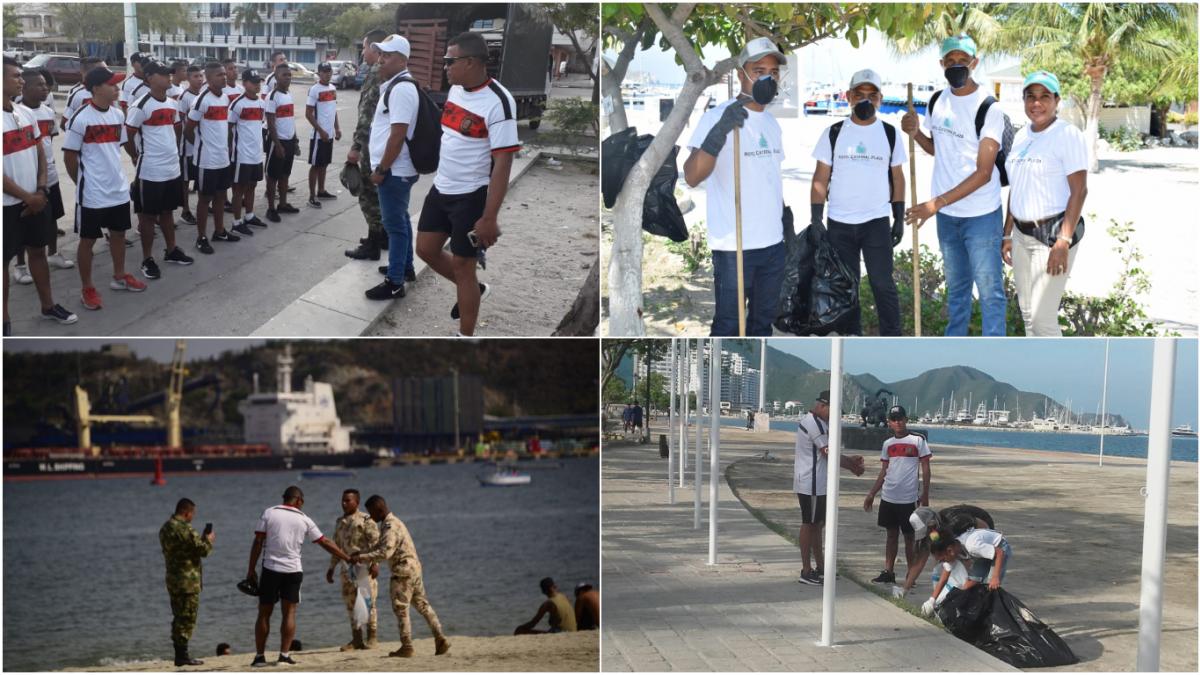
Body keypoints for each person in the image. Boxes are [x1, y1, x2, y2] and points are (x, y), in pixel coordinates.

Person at [415, 30, 521, 336]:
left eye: (451, 60)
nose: (445, 66)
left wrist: (489, 217)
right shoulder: (456, 90)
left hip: (470, 196)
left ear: (471, 62)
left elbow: (503, 163)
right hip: (441, 188)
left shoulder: (499, 102)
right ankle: (474, 288)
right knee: (425, 249)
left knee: (464, 267)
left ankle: (465, 336)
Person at [902, 35, 1007, 336]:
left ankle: (993, 354)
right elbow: (939, 149)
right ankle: (953, 348)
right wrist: (917, 133)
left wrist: (935, 204)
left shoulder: (989, 108)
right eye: (950, 61)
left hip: (981, 215)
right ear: (942, 64)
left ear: (975, 63)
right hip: (948, 218)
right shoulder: (936, 101)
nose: (957, 66)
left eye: (963, 61)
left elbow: (984, 172)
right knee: (957, 291)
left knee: (990, 292)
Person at [684, 38, 788, 336]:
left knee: (762, 325)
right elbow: (692, 176)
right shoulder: (717, 117)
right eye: (759, 70)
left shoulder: (771, 123)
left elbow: (769, 179)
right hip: (734, 246)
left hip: (772, 245)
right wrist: (719, 133)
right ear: (741, 74)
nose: (768, 77)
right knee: (728, 325)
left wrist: (785, 223)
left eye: (773, 71)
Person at [811, 68, 906, 336]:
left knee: (882, 284)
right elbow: (820, 178)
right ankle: (852, 335)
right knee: (846, 286)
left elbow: (898, 178)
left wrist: (899, 218)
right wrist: (816, 219)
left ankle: (893, 337)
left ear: (880, 98)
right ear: (849, 96)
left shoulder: (889, 133)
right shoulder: (834, 133)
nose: (865, 100)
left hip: (876, 221)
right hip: (840, 222)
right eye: (859, 94)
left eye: (871, 95)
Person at [1002, 70, 1088, 336]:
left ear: (1056, 100)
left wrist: (1063, 241)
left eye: (1044, 97)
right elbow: (1017, 188)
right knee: (1027, 315)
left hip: (1052, 237)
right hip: (1020, 235)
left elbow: (1080, 191)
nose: (1036, 103)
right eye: (1031, 97)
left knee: (1043, 320)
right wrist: (1007, 234)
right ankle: (1033, 376)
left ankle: (1061, 377)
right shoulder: (1019, 136)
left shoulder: (1067, 134)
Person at [63, 65, 147, 310]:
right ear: (96, 88)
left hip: (117, 189)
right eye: (112, 84)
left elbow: (117, 147)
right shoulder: (82, 117)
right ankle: (87, 288)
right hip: (92, 192)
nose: (116, 88)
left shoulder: (117, 114)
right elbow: (70, 157)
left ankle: (120, 277)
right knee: (88, 241)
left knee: (119, 234)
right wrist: (82, 184)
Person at [4, 58, 77, 334]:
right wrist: (26, 195)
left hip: (36, 197)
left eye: (22, 76)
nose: (20, 81)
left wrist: (41, 188)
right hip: (7, 205)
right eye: (15, 76)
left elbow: (40, 152)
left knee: (38, 252)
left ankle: (48, 306)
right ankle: (5, 321)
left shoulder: (26, 113)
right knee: (4, 262)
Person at [245, 486, 352, 668]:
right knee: (289, 612)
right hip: (293, 571)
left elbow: (258, 541)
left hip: (270, 569)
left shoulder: (269, 513)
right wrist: (347, 558)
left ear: (284, 498)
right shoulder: (304, 519)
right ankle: (284, 656)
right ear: (299, 501)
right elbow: (324, 542)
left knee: (264, 613)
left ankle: (259, 657)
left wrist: (250, 569)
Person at [350, 495, 450, 658]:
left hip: (403, 571)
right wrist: (361, 552)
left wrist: (360, 558)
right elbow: (380, 546)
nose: (370, 517)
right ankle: (440, 638)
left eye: (371, 512)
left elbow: (385, 552)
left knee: (400, 607)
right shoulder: (394, 523)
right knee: (422, 605)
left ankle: (407, 646)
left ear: (379, 509)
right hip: (414, 569)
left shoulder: (390, 526)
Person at [125, 60, 195, 279]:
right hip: (150, 170)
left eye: (169, 74)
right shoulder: (140, 105)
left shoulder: (172, 104)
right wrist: (136, 156)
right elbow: (127, 136)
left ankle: (171, 250)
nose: (168, 77)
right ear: (150, 78)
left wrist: (172, 151)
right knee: (147, 217)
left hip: (171, 168)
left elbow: (175, 130)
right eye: (163, 74)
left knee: (167, 212)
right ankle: (147, 258)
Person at [365, 34, 421, 301]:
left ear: (402, 59)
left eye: (387, 55)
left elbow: (397, 135)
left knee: (394, 226)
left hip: (395, 171)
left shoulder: (401, 89)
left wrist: (382, 170)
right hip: (397, 170)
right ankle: (405, 267)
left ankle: (395, 282)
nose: (381, 59)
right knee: (401, 221)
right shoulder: (396, 85)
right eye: (381, 54)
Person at [794, 390, 866, 585]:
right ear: (823, 406)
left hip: (817, 483)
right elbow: (828, 453)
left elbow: (827, 452)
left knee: (817, 525)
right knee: (809, 524)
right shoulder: (815, 424)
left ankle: (821, 567)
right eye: (834, 411)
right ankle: (806, 570)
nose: (836, 416)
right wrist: (853, 467)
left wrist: (850, 460)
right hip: (812, 484)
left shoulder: (819, 422)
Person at [862, 405, 932, 585]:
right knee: (891, 535)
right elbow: (884, 471)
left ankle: (911, 574)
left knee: (910, 537)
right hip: (888, 496)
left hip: (909, 498)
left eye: (900, 418)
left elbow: (925, 467)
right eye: (894, 419)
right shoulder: (887, 444)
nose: (898, 422)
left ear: (906, 419)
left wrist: (925, 495)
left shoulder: (918, 440)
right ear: (889, 422)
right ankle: (889, 571)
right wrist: (872, 494)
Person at [17, 67, 74, 272]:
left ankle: (53, 254)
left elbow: (49, 140)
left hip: (49, 175)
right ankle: (21, 265)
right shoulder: (15, 112)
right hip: (25, 180)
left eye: (45, 85)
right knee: (23, 224)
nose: (45, 89)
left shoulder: (48, 112)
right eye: (39, 85)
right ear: (24, 88)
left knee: (52, 217)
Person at [185, 61, 239, 253]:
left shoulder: (224, 98)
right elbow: (188, 129)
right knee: (204, 199)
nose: (224, 77)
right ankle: (201, 237)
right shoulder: (201, 100)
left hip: (222, 158)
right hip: (206, 160)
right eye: (219, 75)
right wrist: (202, 146)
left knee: (221, 196)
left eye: (224, 74)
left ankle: (220, 231)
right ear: (208, 79)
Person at [345, 36, 389, 262]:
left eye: (364, 48)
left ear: (374, 47)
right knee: (379, 196)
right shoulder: (386, 72)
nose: (362, 53)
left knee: (368, 195)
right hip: (382, 144)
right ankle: (381, 236)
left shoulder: (375, 73)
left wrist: (356, 146)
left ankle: (373, 243)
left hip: (372, 145)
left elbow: (367, 114)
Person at [159, 498, 214, 667]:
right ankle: (182, 655)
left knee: (178, 616)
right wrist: (209, 539)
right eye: (192, 514)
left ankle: (180, 654)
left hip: (173, 579)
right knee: (187, 618)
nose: (192, 517)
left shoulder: (165, 528)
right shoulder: (185, 529)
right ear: (186, 512)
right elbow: (202, 550)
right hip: (187, 582)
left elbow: (182, 549)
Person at [895, 503, 994, 598]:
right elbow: (920, 562)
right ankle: (940, 599)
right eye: (925, 532)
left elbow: (981, 525)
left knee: (969, 567)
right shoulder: (932, 532)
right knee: (941, 568)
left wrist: (989, 541)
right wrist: (904, 589)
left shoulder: (954, 522)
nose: (928, 534)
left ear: (932, 522)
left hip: (982, 524)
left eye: (928, 530)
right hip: (962, 536)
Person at [325, 488, 381, 651]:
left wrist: (375, 563)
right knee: (350, 604)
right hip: (345, 569)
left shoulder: (365, 520)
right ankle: (357, 639)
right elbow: (336, 546)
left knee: (367, 602)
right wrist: (331, 568)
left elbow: (376, 544)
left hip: (364, 567)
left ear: (356, 502)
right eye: (342, 500)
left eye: (348, 500)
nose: (344, 503)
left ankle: (372, 638)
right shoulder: (339, 522)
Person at [925, 525, 1012, 615]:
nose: (941, 562)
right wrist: (932, 600)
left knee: (989, 587)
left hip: (1000, 548)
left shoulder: (972, 546)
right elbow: (943, 579)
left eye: (942, 559)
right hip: (983, 554)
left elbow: (999, 553)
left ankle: (993, 616)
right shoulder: (952, 551)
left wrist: (995, 577)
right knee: (967, 586)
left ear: (950, 551)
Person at [228, 68, 269, 235]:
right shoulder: (237, 104)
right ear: (244, 84)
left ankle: (249, 216)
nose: (257, 85)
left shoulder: (261, 103)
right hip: (241, 154)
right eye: (253, 82)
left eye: (258, 82)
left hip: (256, 153)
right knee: (239, 189)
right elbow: (228, 129)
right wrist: (230, 151)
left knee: (252, 186)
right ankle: (236, 222)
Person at [264, 62, 299, 222]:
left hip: (290, 141)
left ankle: (283, 204)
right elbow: (270, 123)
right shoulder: (272, 96)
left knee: (285, 174)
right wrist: (277, 145)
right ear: (276, 77)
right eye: (284, 75)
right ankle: (271, 208)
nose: (287, 77)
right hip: (277, 142)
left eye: (289, 74)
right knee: (273, 176)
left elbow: (290, 119)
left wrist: (295, 140)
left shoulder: (288, 94)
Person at [305, 62, 340, 209]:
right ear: (319, 73)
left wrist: (337, 128)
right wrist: (321, 131)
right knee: (316, 165)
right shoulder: (314, 90)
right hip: (318, 136)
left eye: (329, 71)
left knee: (324, 164)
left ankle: (322, 190)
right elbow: (308, 114)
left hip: (329, 134)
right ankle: (312, 196)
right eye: (324, 72)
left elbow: (334, 109)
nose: (328, 74)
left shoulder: (332, 88)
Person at [176, 65, 204, 226]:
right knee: (185, 181)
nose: (199, 79)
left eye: (201, 76)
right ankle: (185, 211)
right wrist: (179, 143)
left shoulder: (204, 95)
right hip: (187, 146)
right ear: (188, 78)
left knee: (200, 179)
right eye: (195, 76)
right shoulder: (184, 97)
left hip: (201, 146)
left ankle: (203, 206)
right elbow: (179, 123)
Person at [61, 56, 106, 126]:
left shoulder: (109, 91)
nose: (108, 72)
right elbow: (65, 123)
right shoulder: (77, 94)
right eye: (103, 70)